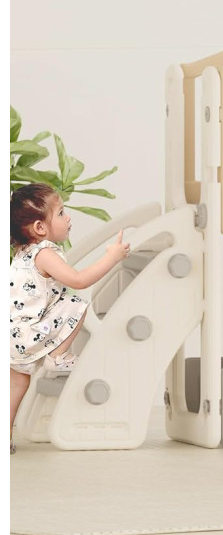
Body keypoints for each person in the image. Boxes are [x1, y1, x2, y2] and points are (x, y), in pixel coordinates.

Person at [10, 183, 130, 453]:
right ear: (40, 228)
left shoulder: (23, 253)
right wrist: (112, 258)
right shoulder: (44, 253)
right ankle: (58, 357)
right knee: (77, 303)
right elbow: (78, 280)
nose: (68, 217)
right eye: (61, 213)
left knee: (16, 384)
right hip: (28, 333)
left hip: (13, 334)